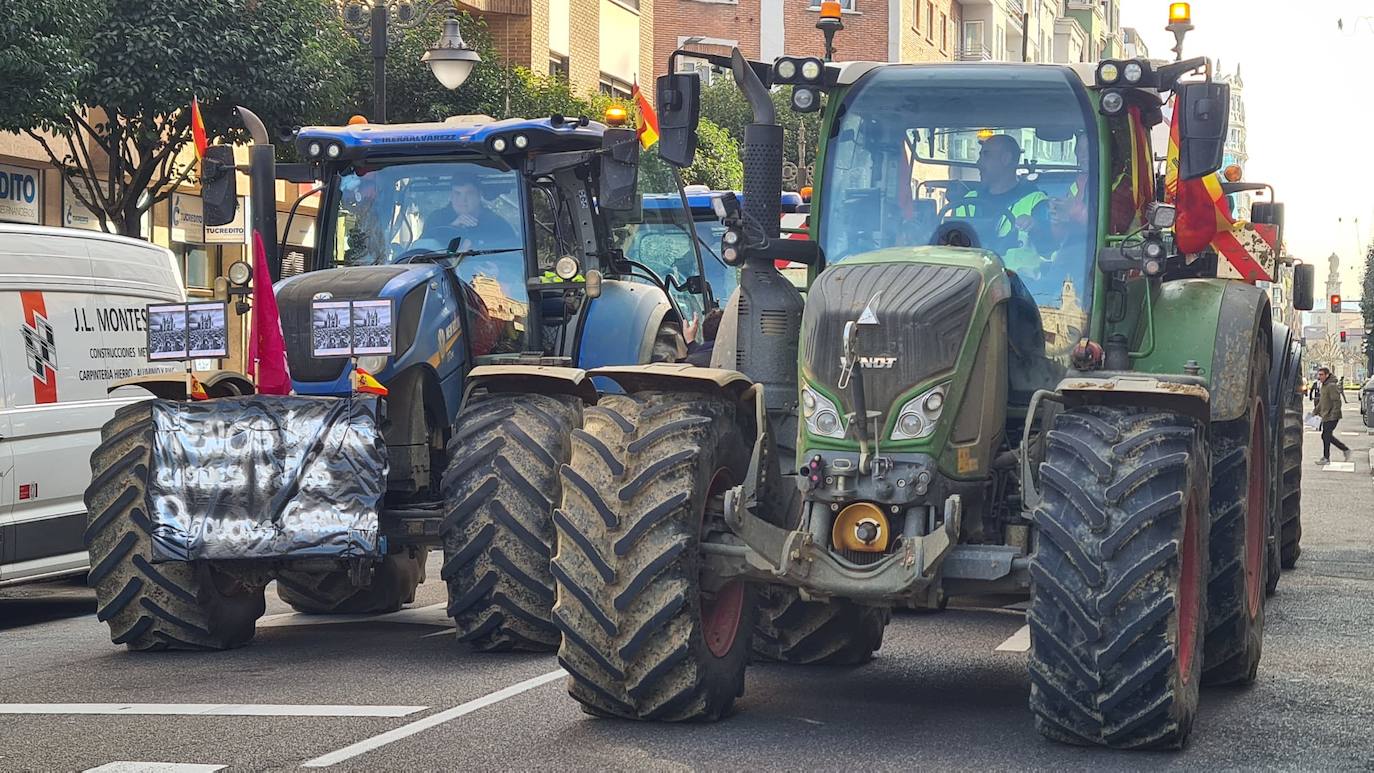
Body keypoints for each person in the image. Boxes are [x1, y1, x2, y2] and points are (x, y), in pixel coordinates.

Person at [946, 134, 1050, 274]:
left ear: (1005, 159)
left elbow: (1049, 246)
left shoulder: (1036, 201)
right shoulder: (967, 201)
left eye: (986, 156)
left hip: (1021, 288)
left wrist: (1035, 227)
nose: (978, 163)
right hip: (969, 284)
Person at [422, 179, 519, 251]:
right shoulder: (436, 220)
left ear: (479, 195)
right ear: (450, 196)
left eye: (469, 193)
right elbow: (422, 252)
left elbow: (513, 257)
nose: (463, 200)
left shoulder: (497, 225)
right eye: (457, 193)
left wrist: (499, 270)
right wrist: (452, 227)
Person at [1314, 367, 1351, 465]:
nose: (1319, 377)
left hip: (1332, 416)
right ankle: (1342, 450)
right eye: (1319, 374)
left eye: (1321, 374)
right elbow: (1322, 402)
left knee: (1326, 435)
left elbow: (1337, 401)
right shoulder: (1324, 386)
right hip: (1326, 415)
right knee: (1326, 436)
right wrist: (1315, 412)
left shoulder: (1331, 386)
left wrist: (1333, 414)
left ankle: (1328, 457)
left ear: (1327, 375)